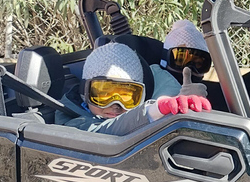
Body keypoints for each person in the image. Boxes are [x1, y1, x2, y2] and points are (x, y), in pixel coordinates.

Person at [55, 42, 211, 135]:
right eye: (104, 94)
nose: (115, 105)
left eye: (126, 96)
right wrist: (156, 110)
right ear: (84, 93)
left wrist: (185, 106)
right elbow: (102, 131)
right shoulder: (70, 119)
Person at [159, 20, 213, 97]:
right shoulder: (151, 78)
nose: (188, 69)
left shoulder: (206, 91)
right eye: (181, 60)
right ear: (165, 58)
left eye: (198, 63)